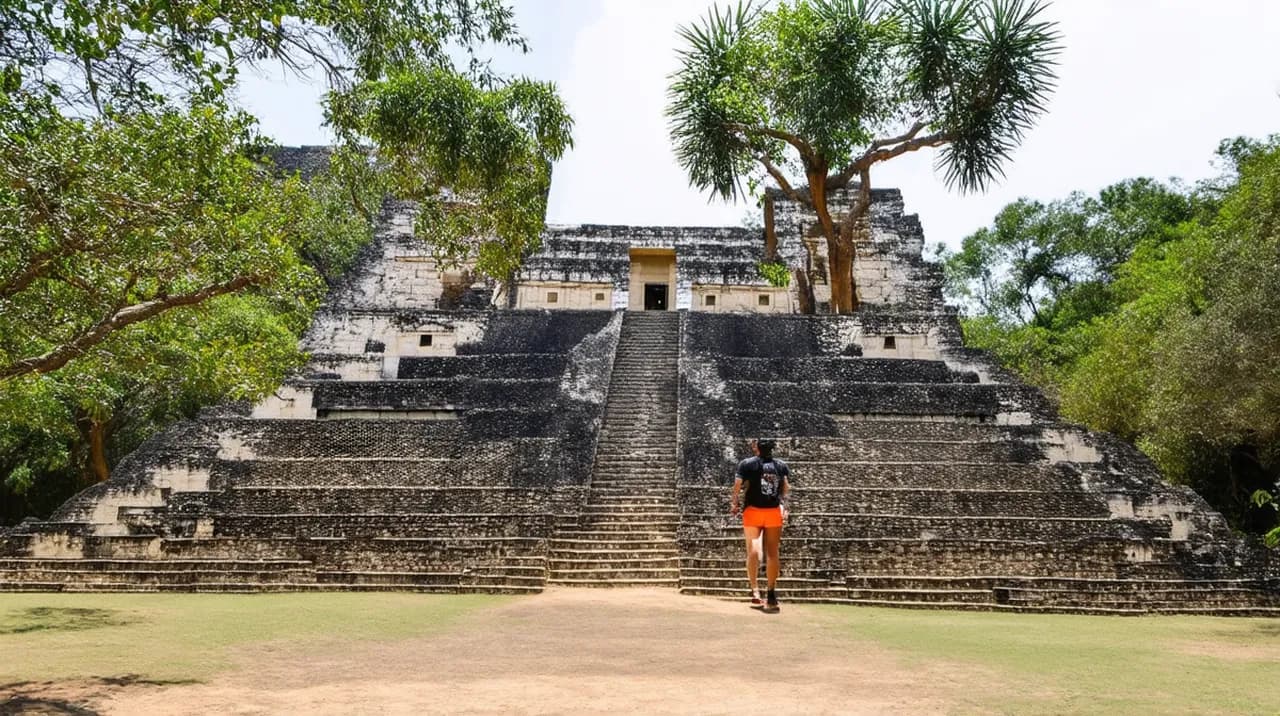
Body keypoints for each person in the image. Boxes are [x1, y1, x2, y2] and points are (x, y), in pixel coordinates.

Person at [730, 438, 790, 613]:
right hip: (763, 511)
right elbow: (785, 488)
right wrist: (785, 507)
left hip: (763, 511)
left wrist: (734, 503)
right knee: (764, 552)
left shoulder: (751, 464)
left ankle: (763, 590)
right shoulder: (775, 465)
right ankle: (763, 590)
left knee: (763, 552)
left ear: (758, 447)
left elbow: (737, 486)